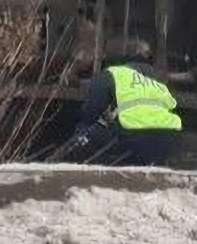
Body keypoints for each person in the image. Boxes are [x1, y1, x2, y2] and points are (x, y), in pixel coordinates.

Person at [61, 38, 181, 166]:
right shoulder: (156, 78)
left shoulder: (112, 73)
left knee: (85, 129)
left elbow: (91, 111)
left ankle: (72, 164)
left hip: (133, 136)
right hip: (168, 138)